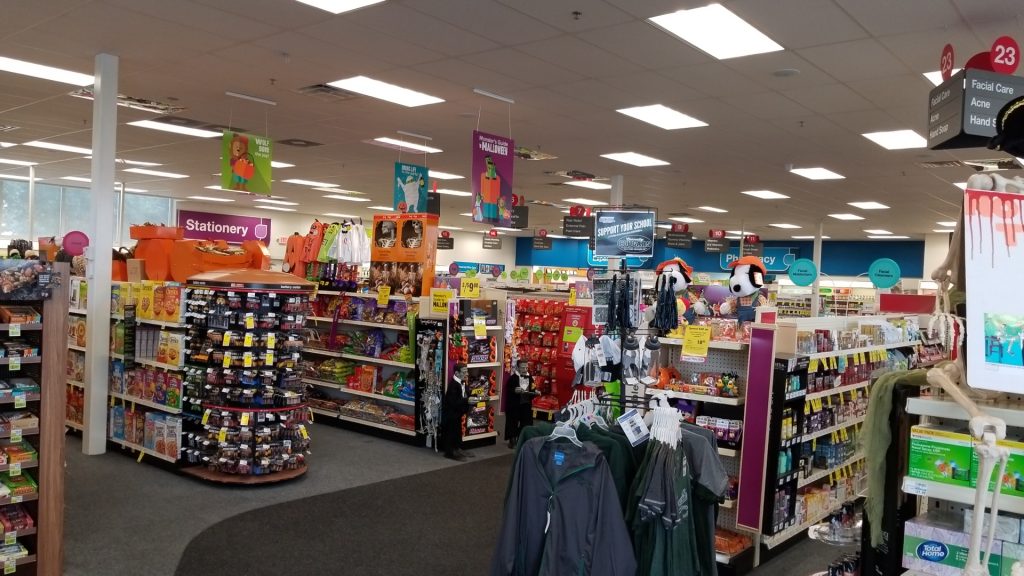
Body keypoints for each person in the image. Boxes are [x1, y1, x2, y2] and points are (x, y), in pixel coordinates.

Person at [441, 364, 473, 461]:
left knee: (458, 431)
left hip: (457, 413)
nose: (467, 374)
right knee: (451, 432)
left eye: (467, 371)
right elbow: (453, 402)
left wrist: (474, 397)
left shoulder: (462, 382)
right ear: (456, 373)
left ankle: (457, 448)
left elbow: (466, 394)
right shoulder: (453, 385)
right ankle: (450, 452)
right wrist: (467, 400)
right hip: (451, 414)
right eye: (464, 372)